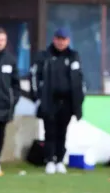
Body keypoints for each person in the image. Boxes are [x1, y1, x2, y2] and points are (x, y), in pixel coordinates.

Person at [30, 27, 85, 175]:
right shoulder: (44, 56)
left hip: (67, 102)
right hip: (49, 100)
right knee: (50, 132)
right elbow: (35, 76)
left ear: (68, 41)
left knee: (62, 132)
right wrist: (37, 98)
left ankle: (60, 160)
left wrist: (79, 101)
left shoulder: (73, 56)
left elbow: (79, 79)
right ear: (54, 39)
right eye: (59, 39)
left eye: (64, 40)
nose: (61, 42)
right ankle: (49, 160)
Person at [0, 27, 21, 177]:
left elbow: (15, 85)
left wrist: (12, 102)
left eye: (2, 40)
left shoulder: (10, 60)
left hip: (3, 107)